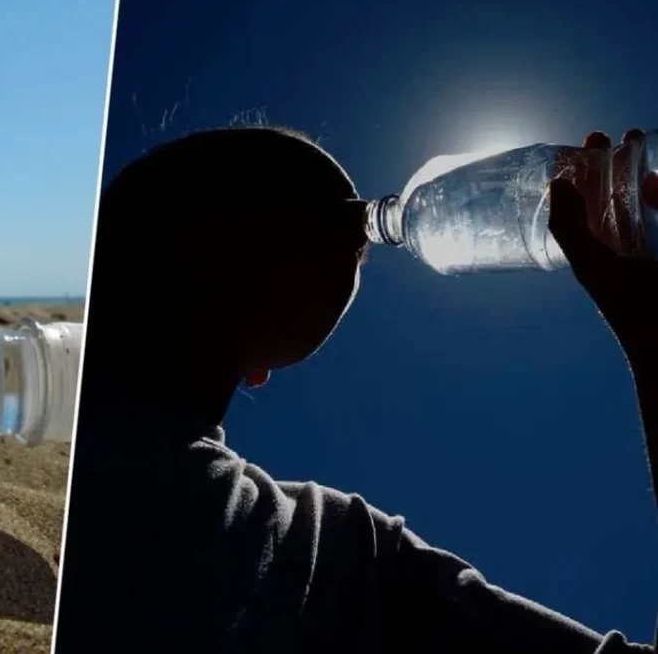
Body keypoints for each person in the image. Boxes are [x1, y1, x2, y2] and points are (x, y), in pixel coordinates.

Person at [54, 126, 656, 652]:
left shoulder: (344, 561)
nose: (347, 218)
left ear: (263, 365)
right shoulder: (332, 558)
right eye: (259, 189)